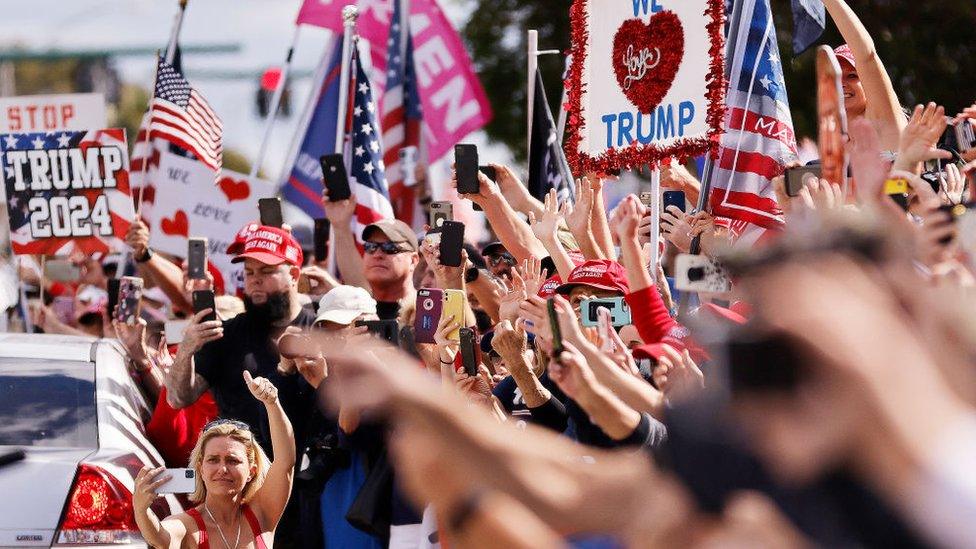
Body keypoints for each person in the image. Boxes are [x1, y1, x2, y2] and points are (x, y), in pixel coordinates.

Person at [133, 371, 295, 548]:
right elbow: (160, 537)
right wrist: (141, 510)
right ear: (201, 468)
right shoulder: (188, 526)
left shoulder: (262, 514)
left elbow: (285, 462)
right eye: (213, 460)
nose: (222, 469)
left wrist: (272, 403)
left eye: (233, 461)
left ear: (252, 471)